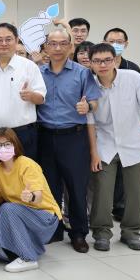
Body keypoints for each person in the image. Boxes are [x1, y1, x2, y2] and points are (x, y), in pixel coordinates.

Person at [87, 43, 140, 251]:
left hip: (134, 144)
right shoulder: (89, 84)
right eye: (97, 61)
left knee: (134, 192)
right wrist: (93, 153)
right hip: (104, 146)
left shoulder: (133, 78)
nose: (103, 65)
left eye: (107, 60)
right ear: (90, 64)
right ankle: (101, 233)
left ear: (115, 60)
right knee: (102, 192)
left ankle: (131, 232)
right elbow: (89, 122)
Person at [37, 29, 102, 251]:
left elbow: (95, 101)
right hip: (44, 136)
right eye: (52, 44)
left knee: (76, 188)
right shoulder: (37, 72)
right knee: (50, 186)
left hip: (74, 137)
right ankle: (53, 230)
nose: (57, 48)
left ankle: (78, 233)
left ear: (70, 46)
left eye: (62, 43)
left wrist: (88, 106)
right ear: (46, 46)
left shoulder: (82, 73)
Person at [0, 128, 61, 272]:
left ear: (15, 145)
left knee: (8, 208)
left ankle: (28, 258)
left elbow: (38, 196)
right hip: (22, 215)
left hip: (45, 216)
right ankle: (30, 248)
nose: (3, 149)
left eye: (7, 144)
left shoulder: (26, 164)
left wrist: (31, 196)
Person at [0, 23, 46, 165]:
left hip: (21, 135)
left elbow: (41, 98)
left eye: (8, 39)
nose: (4, 43)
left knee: (23, 178)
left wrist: (31, 96)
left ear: (17, 40)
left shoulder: (29, 66)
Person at [102, 27, 140, 221]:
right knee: (105, 177)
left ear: (126, 44)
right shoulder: (98, 68)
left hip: (127, 132)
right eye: (111, 41)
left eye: (119, 41)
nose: (115, 45)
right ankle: (103, 221)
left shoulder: (132, 69)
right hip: (104, 133)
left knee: (126, 179)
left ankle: (121, 210)